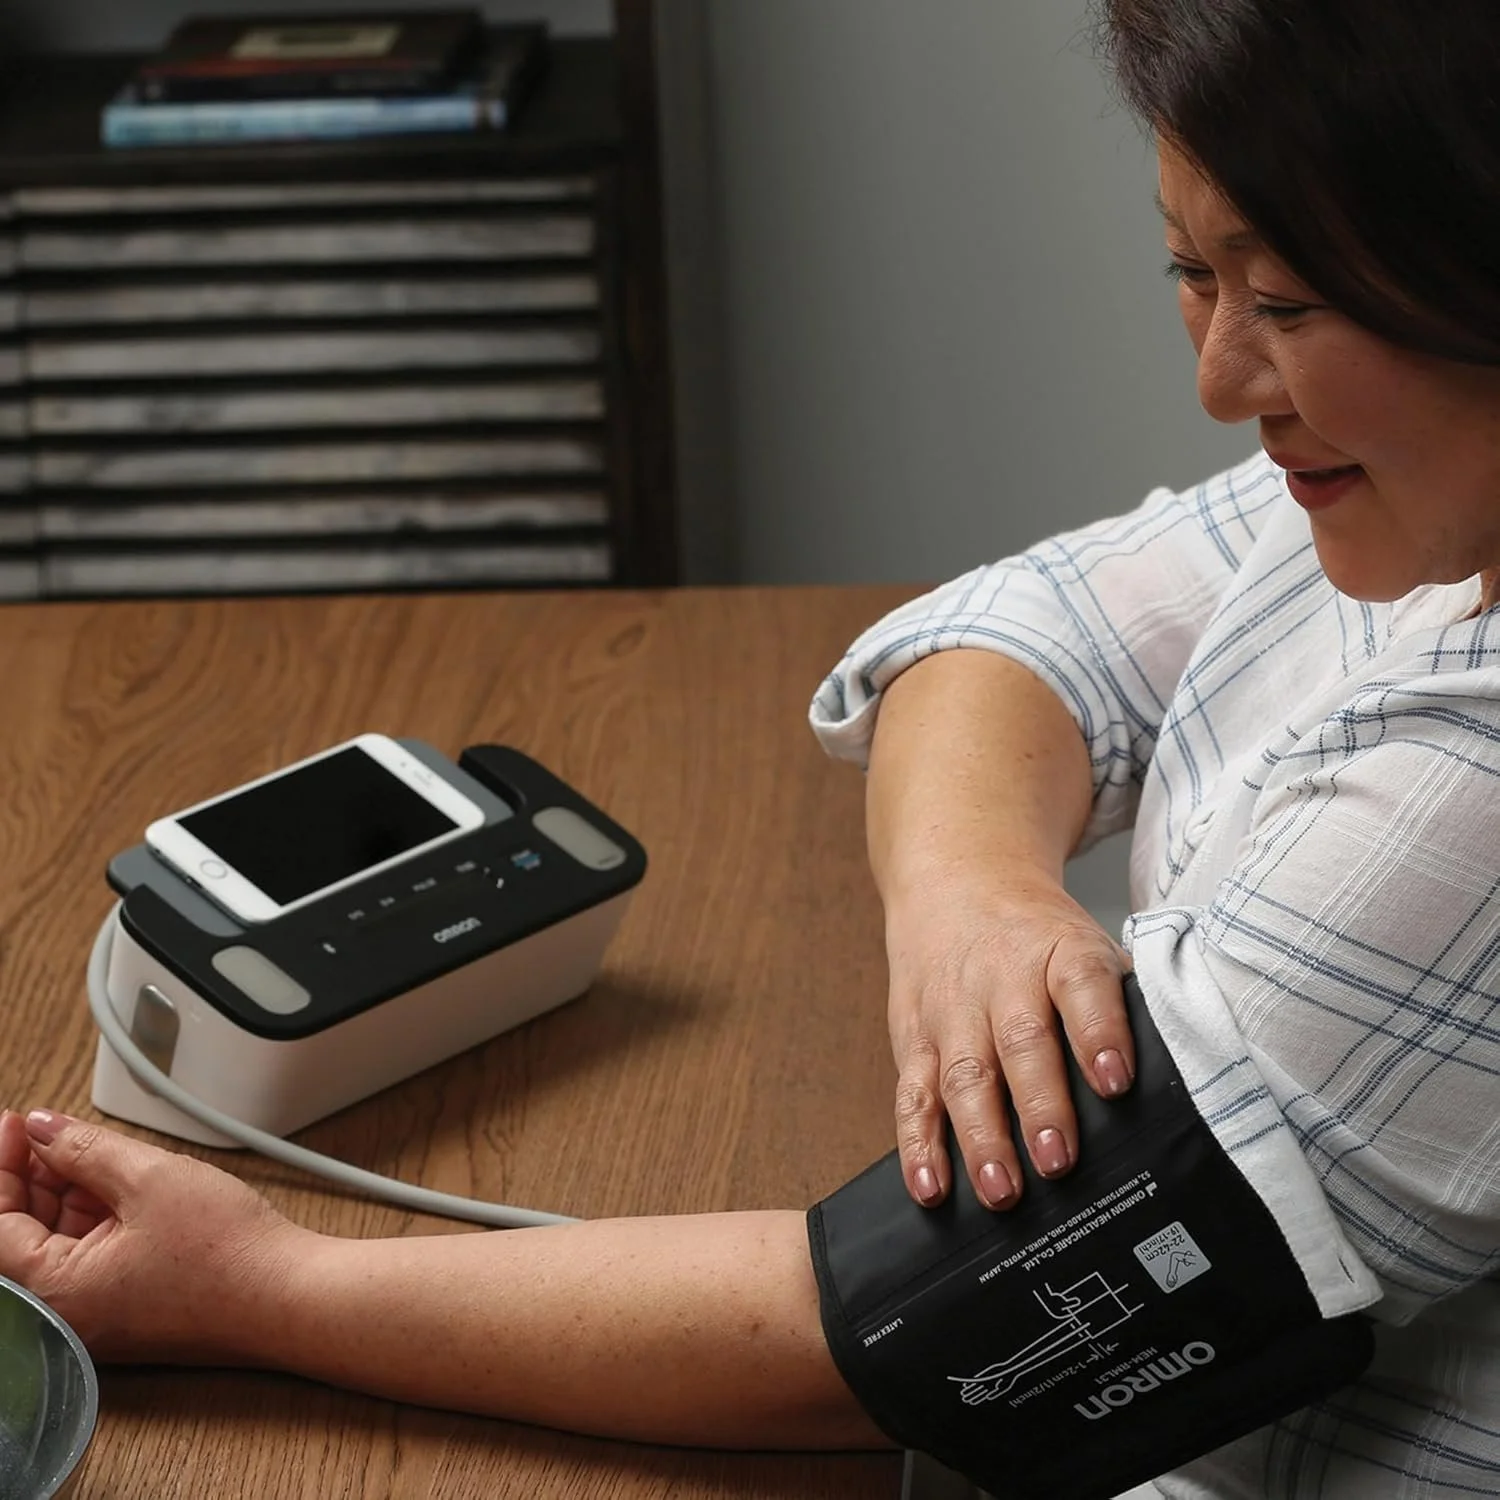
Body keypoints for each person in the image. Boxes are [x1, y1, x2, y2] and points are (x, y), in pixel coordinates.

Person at [3, 1, 1498, 1494]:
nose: (1223, 383)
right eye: (1191, 273)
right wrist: (970, 896)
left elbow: (919, 1333)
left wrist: (257, 1287)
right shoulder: (1410, 492)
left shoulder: (1469, 785)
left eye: (1289, 304)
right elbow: (1014, 631)